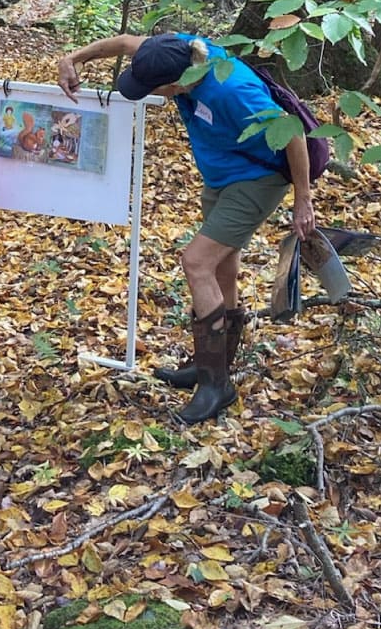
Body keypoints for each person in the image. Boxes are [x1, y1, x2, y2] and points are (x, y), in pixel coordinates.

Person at [58, 33, 316, 424]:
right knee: (221, 267)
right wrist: (73, 57)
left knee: (196, 262)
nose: (149, 93)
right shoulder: (175, 49)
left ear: (178, 83)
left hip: (257, 178)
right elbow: (128, 41)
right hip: (221, 175)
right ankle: (213, 366)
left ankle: (215, 387)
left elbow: (292, 132)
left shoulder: (232, 90)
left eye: (153, 89)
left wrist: (303, 199)